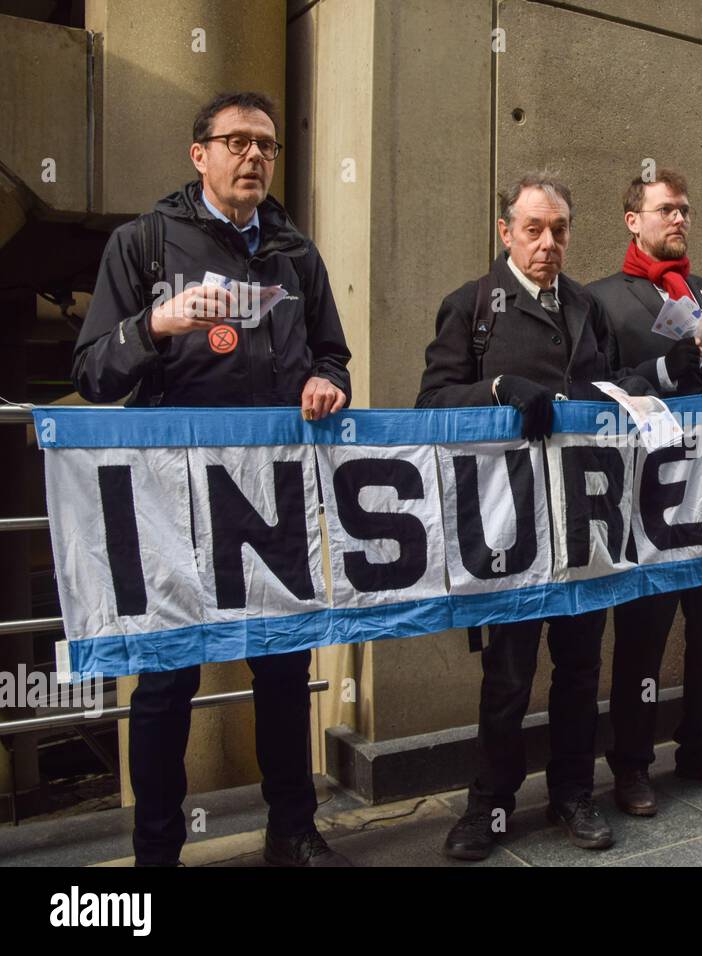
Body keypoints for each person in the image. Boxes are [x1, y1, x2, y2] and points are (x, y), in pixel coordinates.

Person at [71, 91, 352, 866]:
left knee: (283, 668)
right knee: (164, 685)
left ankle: (292, 829)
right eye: (236, 142)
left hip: (272, 493)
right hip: (172, 500)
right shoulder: (144, 245)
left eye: (266, 144)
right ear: (200, 155)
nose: (254, 156)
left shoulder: (297, 252)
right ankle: (156, 852)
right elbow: (93, 371)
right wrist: (155, 325)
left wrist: (327, 383)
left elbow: (333, 352)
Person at [416, 171, 655, 861]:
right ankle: (488, 804)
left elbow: (601, 386)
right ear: (506, 233)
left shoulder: (586, 307)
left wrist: (625, 391)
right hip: (510, 529)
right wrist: (495, 388)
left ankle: (572, 796)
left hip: (582, 521)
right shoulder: (471, 308)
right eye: (533, 229)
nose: (548, 243)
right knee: (509, 674)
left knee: (580, 667)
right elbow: (430, 402)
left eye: (559, 230)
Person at [587, 169, 702, 816]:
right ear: (633, 219)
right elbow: (598, 386)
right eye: (666, 209)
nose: (679, 219)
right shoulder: (600, 299)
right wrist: (662, 376)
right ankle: (631, 765)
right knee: (642, 636)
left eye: (685, 209)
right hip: (644, 497)